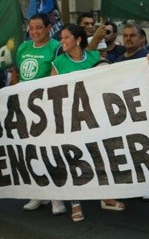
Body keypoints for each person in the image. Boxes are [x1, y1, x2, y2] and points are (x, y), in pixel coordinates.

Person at [52, 23, 127, 221]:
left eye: (66, 37)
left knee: (101, 155)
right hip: (71, 119)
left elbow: (108, 80)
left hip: (95, 117)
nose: (62, 41)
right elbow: (50, 91)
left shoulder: (95, 58)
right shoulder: (58, 62)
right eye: (61, 38)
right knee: (74, 158)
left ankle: (107, 197)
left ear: (78, 40)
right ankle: (75, 203)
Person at [9, 13, 68, 215]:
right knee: (31, 151)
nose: (34, 32)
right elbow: (16, 76)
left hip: (48, 108)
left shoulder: (56, 48)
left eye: (39, 28)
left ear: (48, 28)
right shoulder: (23, 48)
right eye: (31, 28)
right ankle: (38, 193)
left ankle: (57, 198)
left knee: (51, 152)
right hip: (25, 108)